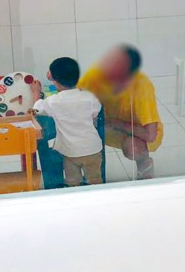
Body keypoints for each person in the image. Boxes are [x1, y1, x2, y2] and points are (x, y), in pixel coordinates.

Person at [79, 45, 164, 180]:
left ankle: (144, 164)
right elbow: (74, 93)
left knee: (133, 148)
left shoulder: (142, 87)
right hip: (104, 125)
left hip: (136, 132)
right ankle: (89, 171)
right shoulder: (95, 75)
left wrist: (115, 123)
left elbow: (150, 134)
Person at [30, 57, 103, 187]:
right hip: (92, 149)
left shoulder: (54, 101)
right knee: (95, 180)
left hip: (70, 152)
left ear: (55, 81)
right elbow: (95, 112)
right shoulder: (89, 97)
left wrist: (36, 92)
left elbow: (37, 108)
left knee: (72, 182)